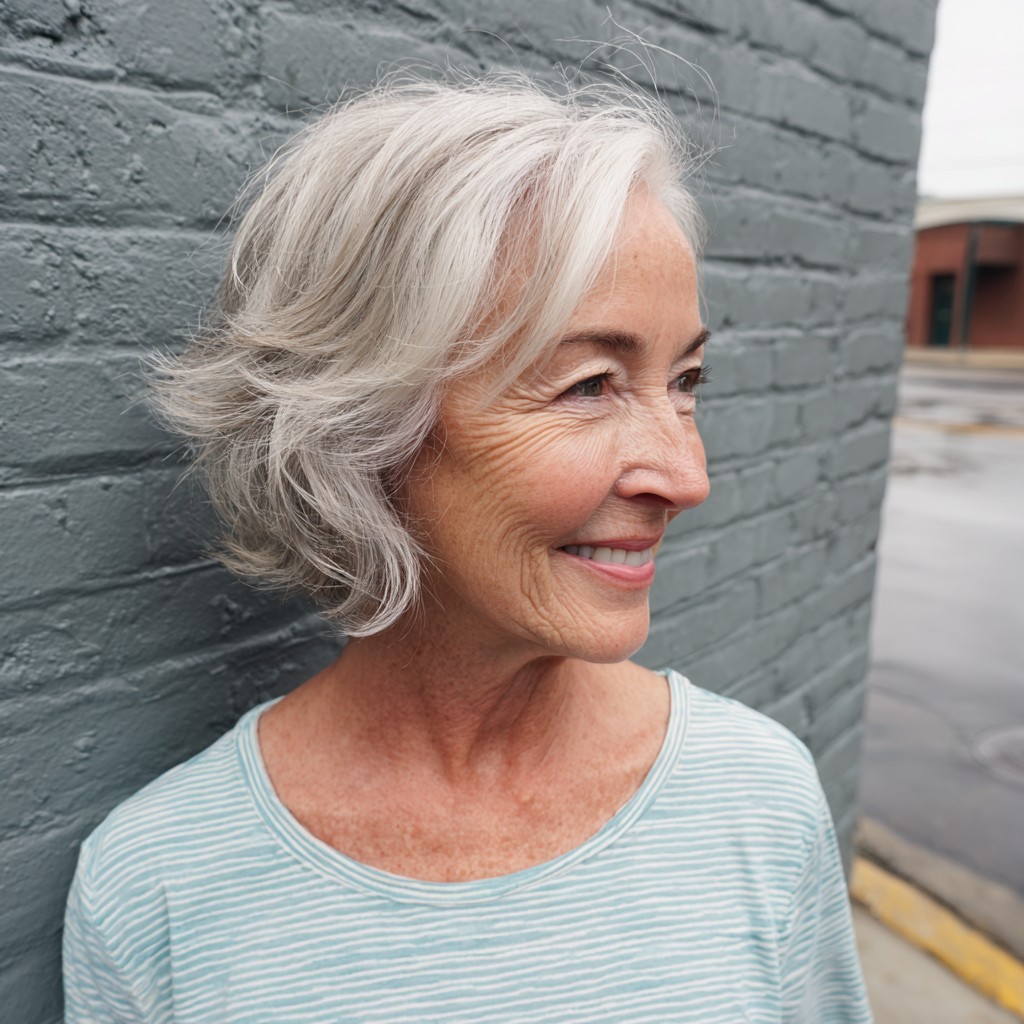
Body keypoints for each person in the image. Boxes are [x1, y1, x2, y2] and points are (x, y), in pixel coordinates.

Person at [63, 74, 873, 1023]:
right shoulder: (158, 889)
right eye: (589, 386)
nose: (686, 476)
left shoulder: (759, 801)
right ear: (360, 425)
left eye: (685, 380)